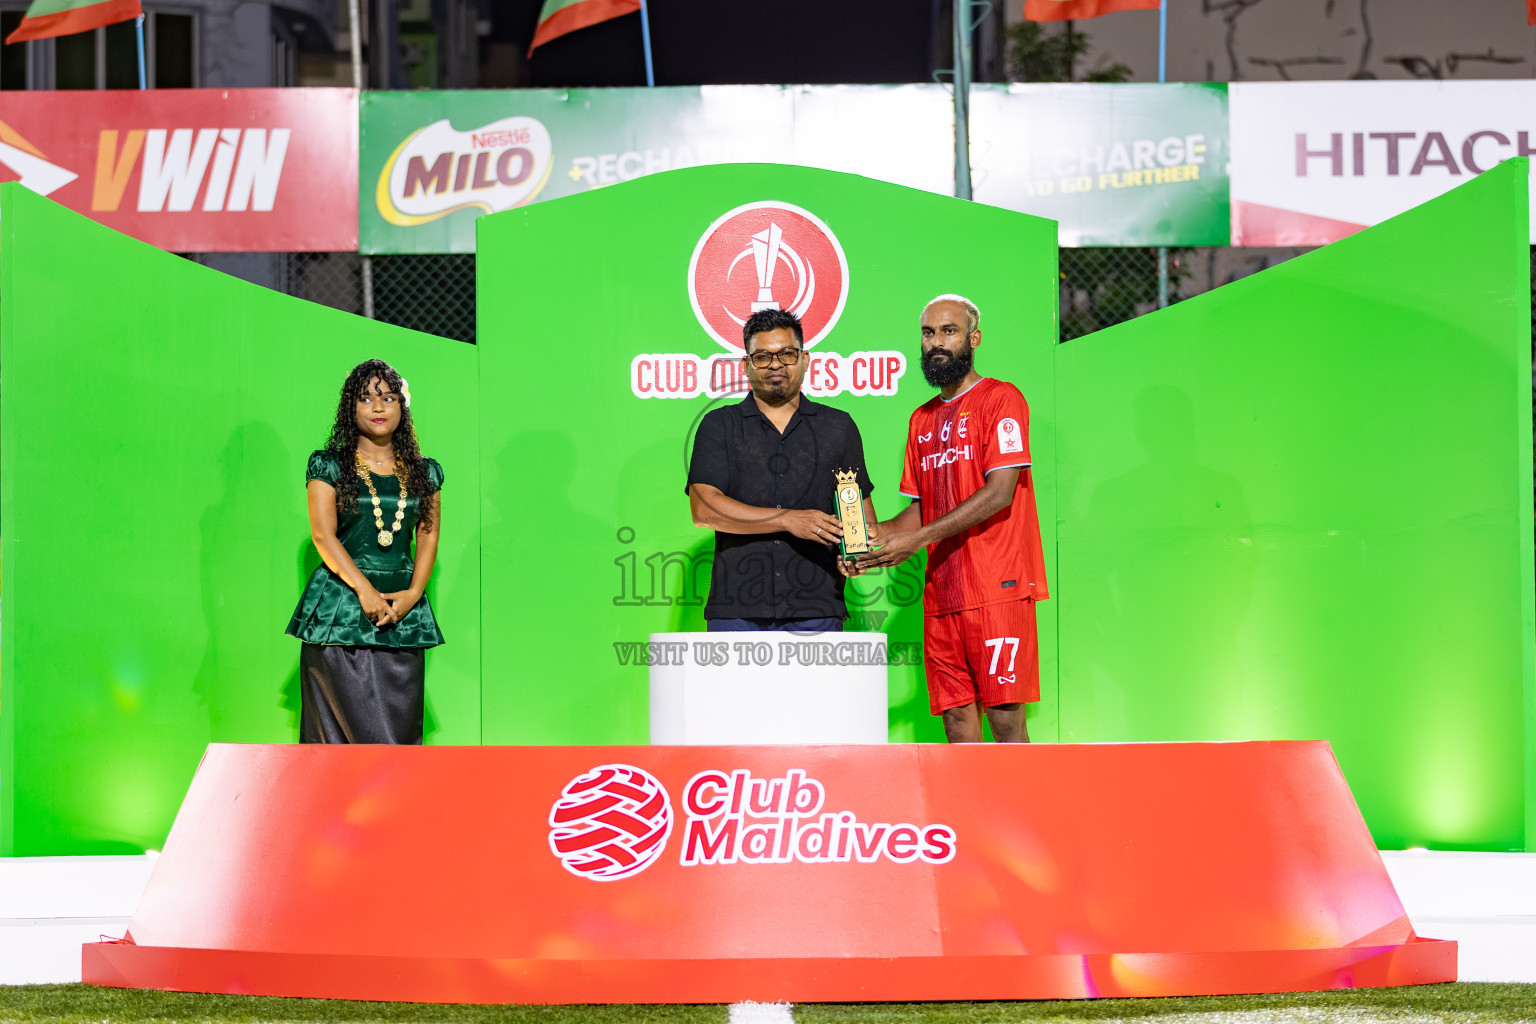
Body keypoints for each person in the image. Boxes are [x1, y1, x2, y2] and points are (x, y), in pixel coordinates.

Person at [853, 295, 1048, 742]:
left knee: (1005, 718)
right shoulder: (920, 419)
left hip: (997, 587)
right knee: (958, 722)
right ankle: (968, 814)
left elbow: (999, 493)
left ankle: (1018, 812)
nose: (937, 342)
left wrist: (916, 540)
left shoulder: (1002, 398)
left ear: (973, 339)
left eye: (949, 331)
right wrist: (870, 542)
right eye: (928, 333)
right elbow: (922, 508)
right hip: (942, 595)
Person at [285, 359, 445, 744]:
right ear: (349, 407)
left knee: (398, 738)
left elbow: (428, 534)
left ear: (401, 407)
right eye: (366, 398)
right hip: (340, 611)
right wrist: (364, 591)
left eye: (388, 398)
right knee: (337, 742)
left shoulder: (426, 472)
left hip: (402, 613)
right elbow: (323, 536)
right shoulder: (328, 465)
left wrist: (413, 593)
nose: (378, 408)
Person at [687, 308, 876, 632]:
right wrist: (786, 519)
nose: (775, 364)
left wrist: (857, 552)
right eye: (762, 356)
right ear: (746, 365)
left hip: (817, 605)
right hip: (736, 609)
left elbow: (856, 510)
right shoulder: (719, 425)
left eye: (786, 354)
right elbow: (704, 509)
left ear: (804, 359)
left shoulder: (837, 426)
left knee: (817, 687)